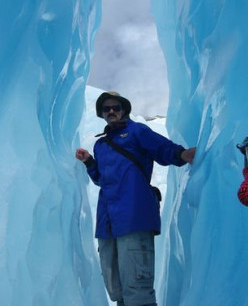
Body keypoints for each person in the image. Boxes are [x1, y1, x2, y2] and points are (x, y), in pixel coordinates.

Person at [75, 91, 196, 306]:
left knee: (137, 289)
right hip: (108, 225)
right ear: (101, 114)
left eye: (116, 107)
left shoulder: (137, 132)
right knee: (116, 288)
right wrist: (90, 163)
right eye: (106, 108)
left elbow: (161, 148)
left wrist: (181, 155)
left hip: (134, 217)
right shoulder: (101, 145)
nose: (111, 111)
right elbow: (103, 180)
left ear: (124, 110)